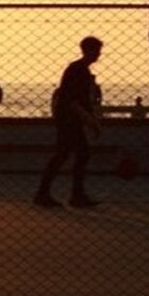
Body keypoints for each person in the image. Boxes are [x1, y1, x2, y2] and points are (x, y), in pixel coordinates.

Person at [35, 36, 104, 209]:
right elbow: (72, 100)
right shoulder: (77, 70)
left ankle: (57, 193)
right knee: (74, 153)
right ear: (88, 51)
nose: (98, 54)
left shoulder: (81, 70)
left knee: (68, 154)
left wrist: (91, 118)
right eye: (96, 50)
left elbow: (82, 100)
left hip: (70, 117)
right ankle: (72, 195)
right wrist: (89, 120)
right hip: (69, 118)